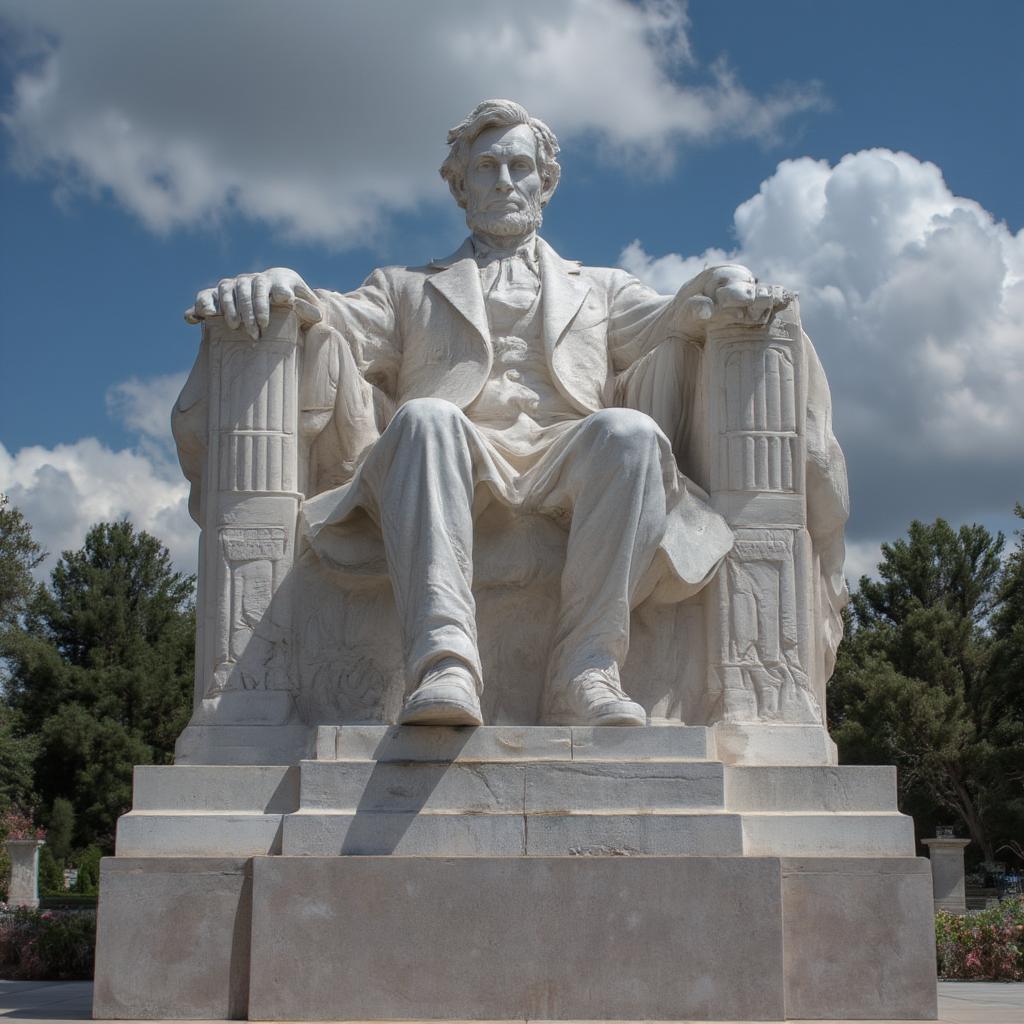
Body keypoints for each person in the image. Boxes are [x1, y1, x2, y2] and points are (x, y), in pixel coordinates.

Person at [185, 99, 791, 728]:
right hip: (452, 457)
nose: (505, 180)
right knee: (425, 418)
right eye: (487, 167)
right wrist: (281, 280)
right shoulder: (406, 286)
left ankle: (586, 670)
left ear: (546, 183)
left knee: (629, 432)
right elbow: (332, 317)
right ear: (459, 185)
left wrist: (721, 280)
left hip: (565, 457)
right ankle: (444, 664)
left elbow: (672, 315)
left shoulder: (602, 288)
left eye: (520, 167)